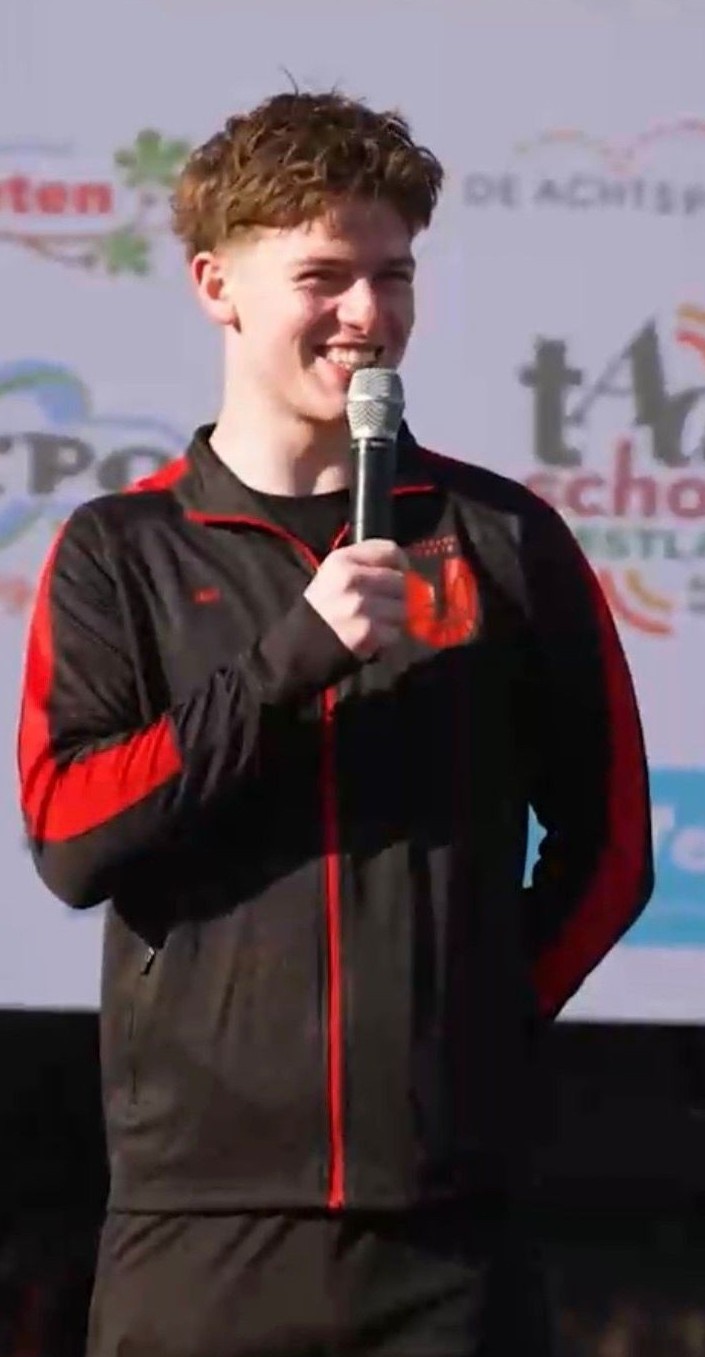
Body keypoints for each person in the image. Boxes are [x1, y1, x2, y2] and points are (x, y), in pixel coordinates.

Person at [16, 89, 654, 1357]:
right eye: (325, 275)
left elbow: (616, 848)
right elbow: (72, 833)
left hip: (450, 1237)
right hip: (199, 1228)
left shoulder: (506, 540)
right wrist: (287, 658)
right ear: (217, 285)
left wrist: (469, 1020)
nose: (369, 315)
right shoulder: (121, 551)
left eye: (394, 274)